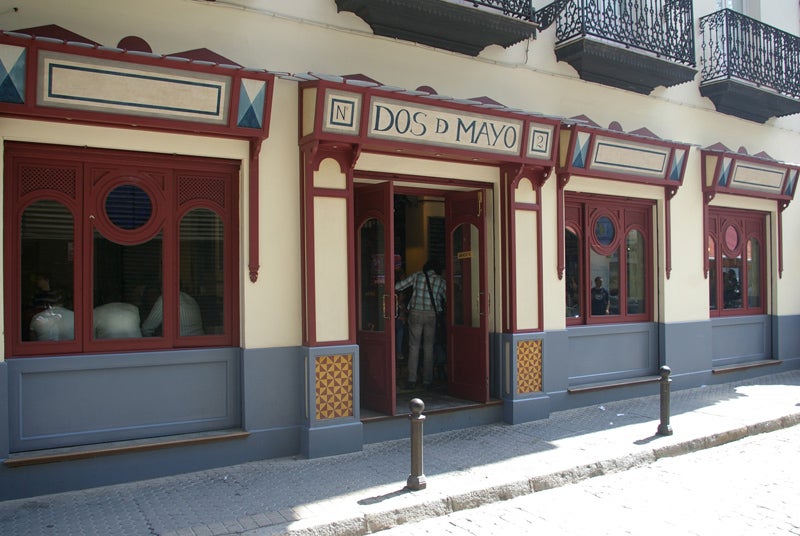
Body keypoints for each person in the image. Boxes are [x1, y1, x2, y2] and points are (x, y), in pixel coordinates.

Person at [394, 259, 445, 390]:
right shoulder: (441, 281)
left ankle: (412, 379)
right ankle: (428, 381)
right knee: (429, 348)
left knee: (414, 347)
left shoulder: (417, 276)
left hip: (416, 313)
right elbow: (448, 298)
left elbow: (398, 286)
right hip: (432, 315)